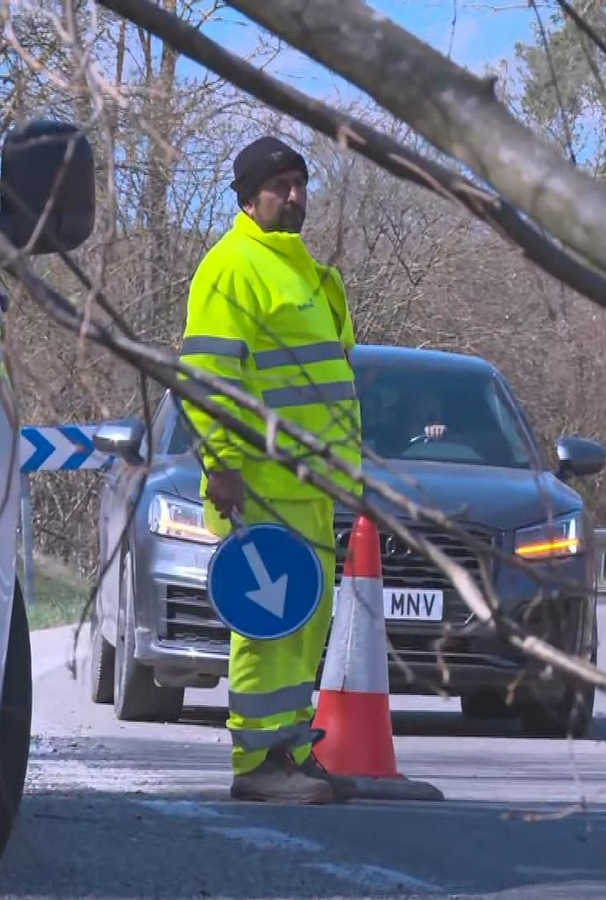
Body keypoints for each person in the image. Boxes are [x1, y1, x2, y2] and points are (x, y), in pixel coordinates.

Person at [178, 136, 362, 805]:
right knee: (268, 626)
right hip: (259, 484)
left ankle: (290, 751)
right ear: (248, 197)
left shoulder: (305, 271)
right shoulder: (231, 268)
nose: (293, 196)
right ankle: (256, 763)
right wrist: (222, 466)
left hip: (311, 488)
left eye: (299, 183)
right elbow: (207, 380)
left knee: (303, 627)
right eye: (280, 186)